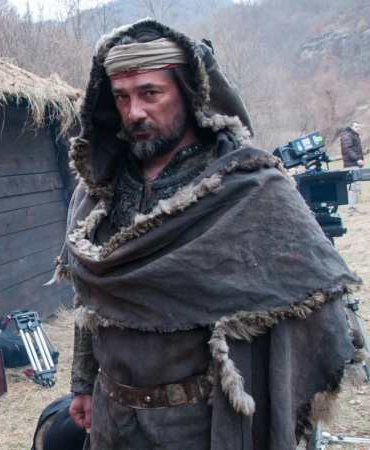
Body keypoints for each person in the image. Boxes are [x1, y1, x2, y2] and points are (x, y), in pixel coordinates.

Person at [50, 19, 360, 449]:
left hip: (200, 424)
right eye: (122, 97)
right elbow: (94, 300)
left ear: (188, 92)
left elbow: (310, 286)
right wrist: (83, 383)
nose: (134, 111)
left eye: (150, 93)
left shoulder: (245, 185)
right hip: (113, 419)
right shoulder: (97, 194)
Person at [339, 122, 364, 214]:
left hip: (355, 164)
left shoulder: (353, 135)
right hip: (351, 165)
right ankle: (351, 209)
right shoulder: (347, 135)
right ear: (351, 127)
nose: (358, 128)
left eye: (359, 127)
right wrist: (357, 159)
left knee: (357, 187)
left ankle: (354, 208)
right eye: (356, 127)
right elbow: (348, 149)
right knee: (353, 188)